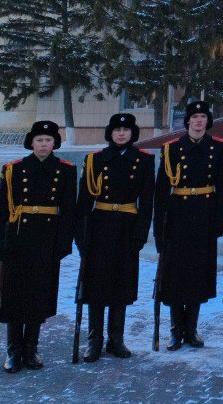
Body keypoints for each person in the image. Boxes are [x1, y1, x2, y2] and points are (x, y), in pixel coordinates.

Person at [0, 120, 77, 373]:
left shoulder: (66, 170)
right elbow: (1, 209)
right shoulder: (13, 169)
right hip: (16, 240)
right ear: (31, 143)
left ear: (55, 143)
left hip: (47, 241)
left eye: (48, 140)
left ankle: (31, 349)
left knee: (38, 296)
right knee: (14, 296)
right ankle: (14, 350)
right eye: (39, 140)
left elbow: (68, 210)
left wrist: (63, 243)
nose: (44, 145)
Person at [74, 112, 155, 362]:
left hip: (127, 229)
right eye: (117, 130)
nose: (121, 134)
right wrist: (81, 236)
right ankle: (94, 340)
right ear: (110, 133)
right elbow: (83, 202)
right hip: (99, 228)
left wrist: (140, 235)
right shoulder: (95, 160)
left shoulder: (144, 160)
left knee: (122, 285)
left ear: (133, 133)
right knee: (96, 286)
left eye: (126, 130)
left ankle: (116, 339)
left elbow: (147, 202)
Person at [153, 101, 223, 351]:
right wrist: (159, 227)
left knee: (198, 274)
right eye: (194, 116)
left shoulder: (218, 148)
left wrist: (220, 220)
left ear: (208, 121)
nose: (198, 121)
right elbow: (161, 192)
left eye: (203, 117)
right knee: (176, 275)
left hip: (204, 215)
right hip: (178, 217)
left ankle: (191, 329)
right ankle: (176, 330)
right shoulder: (172, 149)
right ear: (187, 121)